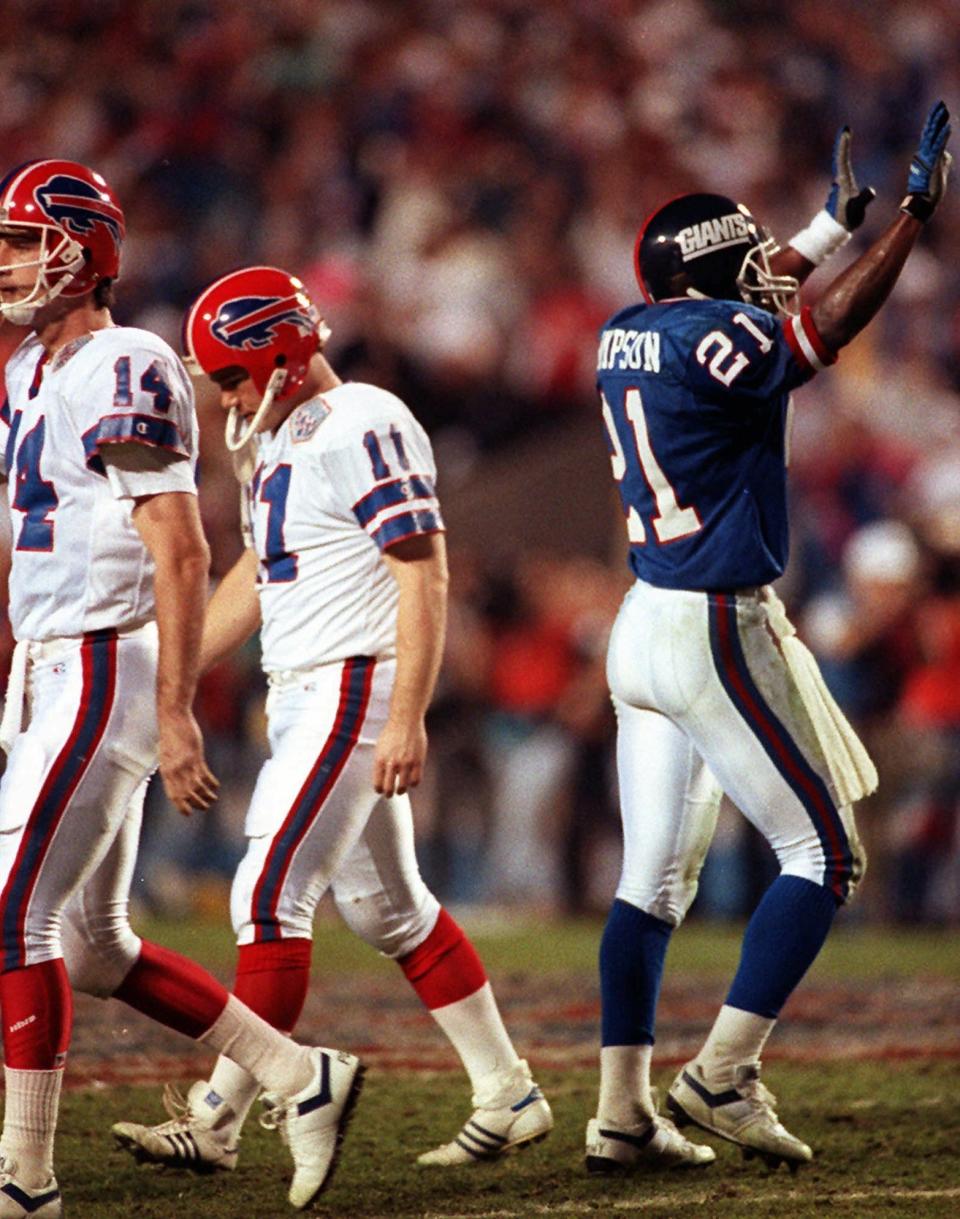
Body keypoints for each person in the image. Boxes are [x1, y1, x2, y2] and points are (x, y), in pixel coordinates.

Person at [109, 264, 553, 1176]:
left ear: (277, 353)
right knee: (393, 908)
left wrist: (409, 715)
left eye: (230, 373)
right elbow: (260, 583)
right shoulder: (289, 438)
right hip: (317, 686)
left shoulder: (364, 419)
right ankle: (506, 1088)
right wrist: (171, 667)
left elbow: (422, 572)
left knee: (267, 896)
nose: (226, 394)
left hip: (354, 685)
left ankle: (220, 1118)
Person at [586, 101, 951, 1176]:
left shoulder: (632, 327)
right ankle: (723, 1070)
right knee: (825, 853)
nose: (771, 266)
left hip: (640, 625)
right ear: (717, 278)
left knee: (646, 887)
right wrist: (910, 224)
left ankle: (620, 1113)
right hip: (711, 622)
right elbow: (815, 326)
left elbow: (751, 285)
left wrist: (828, 226)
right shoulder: (726, 333)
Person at [0, 161, 367, 1217]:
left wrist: (173, 712)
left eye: (29, 239)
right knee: (91, 945)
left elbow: (182, 545)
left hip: (104, 661)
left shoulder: (127, 359)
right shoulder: (31, 366)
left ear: (84, 248)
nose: (13, 260)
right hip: (50, 663)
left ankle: (25, 1178)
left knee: (13, 918)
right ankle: (305, 1077)